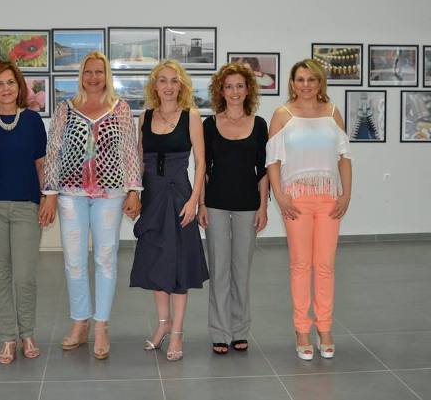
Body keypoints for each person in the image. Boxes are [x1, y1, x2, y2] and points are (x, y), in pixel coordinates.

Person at [42, 51, 142, 360]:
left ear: (107, 75)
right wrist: (50, 193)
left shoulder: (120, 108)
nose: (94, 77)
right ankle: (80, 322)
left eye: (99, 71)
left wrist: (134, 191)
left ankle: (101, 326)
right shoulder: (65, 109)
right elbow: (53, 151)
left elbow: (129, 151)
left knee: (105, 258)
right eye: (88, 72)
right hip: (70, 194)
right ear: (81, 76)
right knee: (74, 260)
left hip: (111, 194)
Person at [266, 59, 352, 360]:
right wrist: (280, 196)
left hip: (328, 198)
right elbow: (273, 162)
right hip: (296, 199)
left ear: (319, 83)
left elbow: (344, 158)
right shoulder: (282, 115)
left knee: (325, 265)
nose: (306, 85)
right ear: (292, 83)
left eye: (312, 79)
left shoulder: (332, 113)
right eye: (300, 79)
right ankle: (302, 330)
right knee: (301, 265)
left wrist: (346, 194)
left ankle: (324, 328)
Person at [0, 61, 49, 365]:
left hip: (26, 206)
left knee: (25, 276)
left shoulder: (32, 121)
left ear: (19, 86)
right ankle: (7, 337)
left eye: (10, 82)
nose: (5, 88)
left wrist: (47, 199)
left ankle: (27, 333)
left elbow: (41, 164)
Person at [130, 59, 208, 361]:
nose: (168, 86)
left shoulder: (191, 116)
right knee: (156, 262)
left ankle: (177, 332)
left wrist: (195, 200)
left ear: (181, 85)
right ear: (155, 85)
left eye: (174, 81)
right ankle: (162, 324)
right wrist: (134, 195)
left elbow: (200, 163)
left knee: (177, 264)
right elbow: (138, 162)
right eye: (162, 80)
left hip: (179, 198)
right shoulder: (145, 117)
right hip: (152, 198)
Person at [197, 63, 269, 355]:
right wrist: (201, 203)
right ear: (221, 91)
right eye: (229, 86)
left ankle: (239, 330)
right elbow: (202, 169)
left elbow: (263, 171)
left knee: (241, 271)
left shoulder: (259, 124)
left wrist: (263, 207)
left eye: (240, 86)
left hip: (248, 206)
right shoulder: (209, 125)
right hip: (215, 204)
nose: (235, 92)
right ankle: (219, 331)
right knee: (219, 270)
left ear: (248, 89)